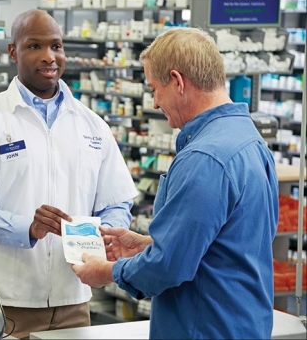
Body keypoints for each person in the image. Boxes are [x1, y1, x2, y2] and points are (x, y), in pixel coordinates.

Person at [0, 9, 138, 339]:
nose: (49, 57)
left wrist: (106, 231)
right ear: (13, 51)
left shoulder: (93, 126)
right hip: (3, 302)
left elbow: (117, 203)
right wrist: (26, 228)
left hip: (74, 301)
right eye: (35, 46)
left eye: (56, 46)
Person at [72, 27, 279, 339]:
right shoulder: (249, 140)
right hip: (243, 324)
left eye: (155, 88)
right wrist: (151, 243)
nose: (155, 102)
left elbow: (167, 267)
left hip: (205, 328)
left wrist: (105, 271)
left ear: (178, 81)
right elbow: (228, 243)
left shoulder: (205, 158)